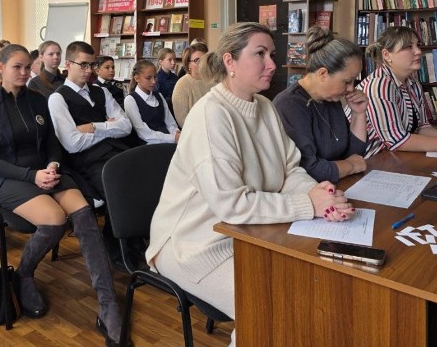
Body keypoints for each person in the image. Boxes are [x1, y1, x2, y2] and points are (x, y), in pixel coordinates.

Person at [146, 23, 355, 344]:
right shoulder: (211, 115)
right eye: (260, 54)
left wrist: (316, 191)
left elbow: (289, 168)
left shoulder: (265, 107)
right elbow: (231, 204)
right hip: (194, 244)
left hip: (246, 231)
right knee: (268, 308)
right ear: (229, 61)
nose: (272, 63)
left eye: (271, 54)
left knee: (310, 288)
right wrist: (307, 204)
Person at [0, 44, 126, 346]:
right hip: (3, 178)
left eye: (26, 67)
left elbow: (53, 145)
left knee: (83, 213)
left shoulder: (37, 100)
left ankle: (107, 302)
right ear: (0, 67)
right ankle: (24, 274)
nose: (24, 72)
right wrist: (33, 176)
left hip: (45, 171)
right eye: (16, 67)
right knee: (56, 219)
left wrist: (53, 165)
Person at [360, 26, 437, 157]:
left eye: (418, 45)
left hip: (392, 157)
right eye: (409, 47)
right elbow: (396, 141)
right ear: (387, 55)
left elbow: (422, 127)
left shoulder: (413, 83)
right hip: (368, 160)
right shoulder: (379, 84)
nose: (418, 51)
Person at [273, 27, 367, 182]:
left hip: (336, 185)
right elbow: (307, 169)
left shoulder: (330, 98)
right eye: (347, 81)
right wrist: (350, 166)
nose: (351, 88)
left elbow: (355, 155)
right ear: (323, 74)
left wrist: (359, 113)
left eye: (354, 81)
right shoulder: (289, 105)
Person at [47, 42, 132, 203]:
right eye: (83, 65)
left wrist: (94, 127)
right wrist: (110, 127)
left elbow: (126, 126)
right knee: (122, 196)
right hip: (89, 162)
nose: (88, 71)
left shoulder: (102, 91)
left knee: (147, 179)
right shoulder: (58, 98)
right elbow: (73, 143)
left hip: (118, 151)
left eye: (91, 65)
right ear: (68, 64)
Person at [124, 60, 180, 144]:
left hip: (169, 140)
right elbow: (144, 134)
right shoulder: (130, 100)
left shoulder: (159, 96)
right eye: (148, 78)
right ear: (137, 78)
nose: (154, 81)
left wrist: (177, 133)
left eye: (155, 77)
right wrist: (173, 138)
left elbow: (170, 123)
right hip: (149, 145)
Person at [171, 42, 214, 127]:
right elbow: (182, 121)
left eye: (205, 60)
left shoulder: (214, 80)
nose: (202, 63)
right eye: (197, 60)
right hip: (195, 130)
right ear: (188, 64)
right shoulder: (182, 85)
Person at [155, 47, 178, 112]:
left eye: (174, 59)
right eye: (169, 60)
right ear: (161, 62)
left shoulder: (175, 78)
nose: (173, 63)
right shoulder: (156, 79)